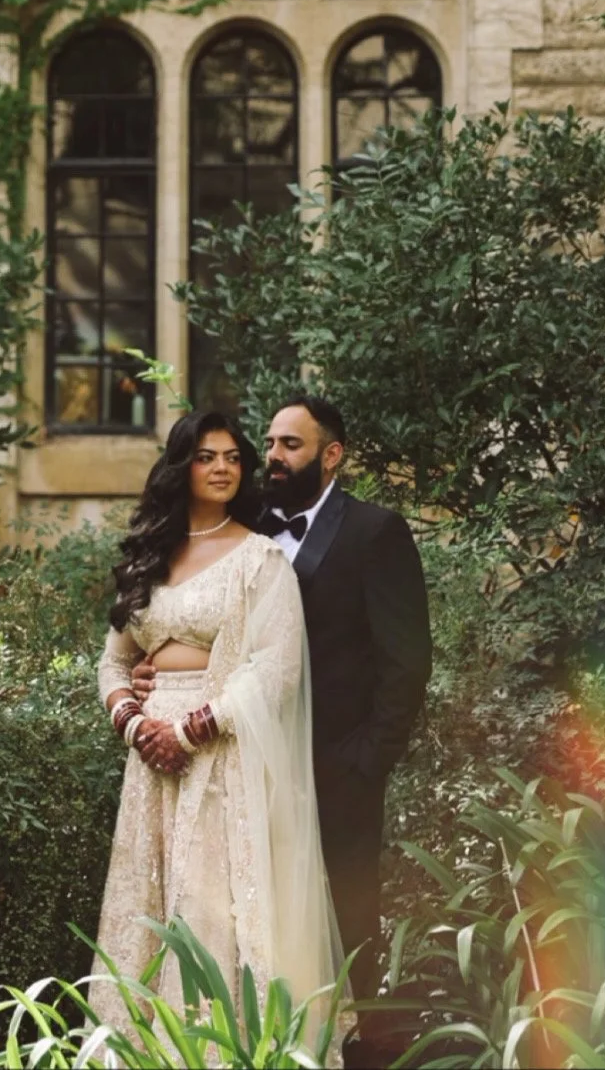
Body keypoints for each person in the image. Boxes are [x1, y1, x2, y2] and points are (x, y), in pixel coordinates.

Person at [133, 393, 431, 1064]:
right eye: (267, 443)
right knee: (249, 923)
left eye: (289, 445)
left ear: (332, 454)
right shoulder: (247, 528)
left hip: (334, 769)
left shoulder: (374, 532)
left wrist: (367, 757)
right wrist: (157, 674)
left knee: (343, 926)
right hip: (239, 766)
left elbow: (406, 661)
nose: (271, 457)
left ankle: (348, 1055)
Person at [92, 408, 349, 1061]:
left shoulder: (260, 559)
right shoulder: (149, 555)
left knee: (212, 916)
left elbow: (276, 668)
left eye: (234, 456)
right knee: (148, 914)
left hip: (221, 756)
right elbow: (113, 660)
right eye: (208, 456)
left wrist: (189, 728)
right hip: (149, 763)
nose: (224, 467)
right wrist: (133, 721)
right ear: (183, 464)